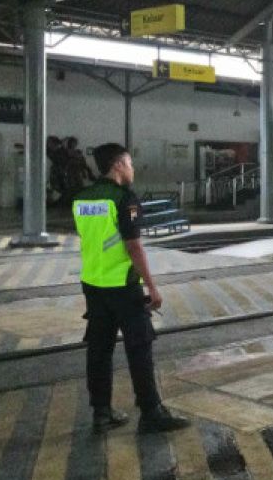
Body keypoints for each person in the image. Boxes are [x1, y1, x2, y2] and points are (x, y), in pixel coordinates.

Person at [72, 143, 189, 434]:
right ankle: (151, 412)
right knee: (140, 347)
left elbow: (92, 239)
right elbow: (133, 246)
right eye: (130, 162)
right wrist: (152, 286)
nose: (132, 168)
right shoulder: (124, 199)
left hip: (93, 284)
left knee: (99, 349)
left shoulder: (82, 198)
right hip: (123, 286)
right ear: (119, 165)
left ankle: (101, 411)